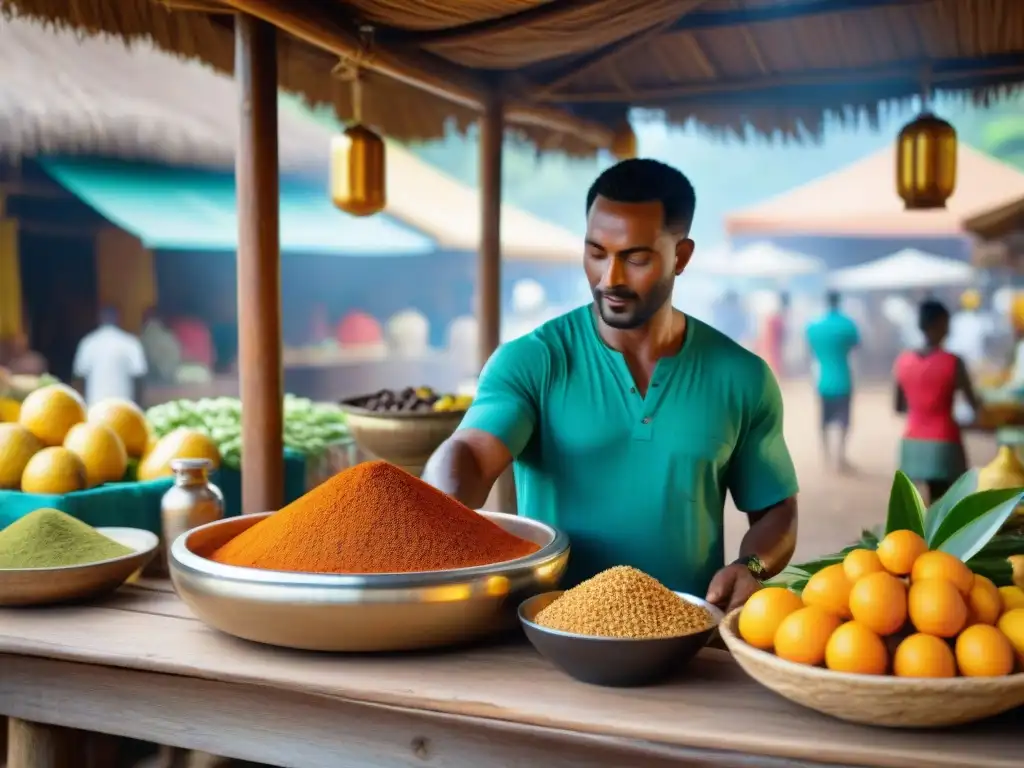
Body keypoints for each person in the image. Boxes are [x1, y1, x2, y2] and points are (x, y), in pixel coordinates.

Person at [423, 159, 799, 612]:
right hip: (553, 630)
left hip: (687, 639)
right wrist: (436, 506)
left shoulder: (741, 376)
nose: (610, 279)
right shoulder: (533, 361)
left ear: (680, 257)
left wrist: (752, 566)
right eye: (596, 252)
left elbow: (776, 509)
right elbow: (472, 452)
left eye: (635, 258)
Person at [894, 300, 979, 504]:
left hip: (912, 445)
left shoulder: (903, 360)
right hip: (944, 444)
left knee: (921, 510)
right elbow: (974, 404)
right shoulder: (953, 362)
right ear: (940, 323)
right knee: (949, 508)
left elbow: (898, 407)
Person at [805, 291, 860, 471]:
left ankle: (826, 457)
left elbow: (809, 348)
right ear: (839, 301)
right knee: (844, 421)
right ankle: (840, 456)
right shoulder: (847, 324)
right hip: (844, 378)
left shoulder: (814, 326)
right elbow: (857, 345)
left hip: (822, 379)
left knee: (823, 421)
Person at [72, 306, 148, 406]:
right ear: (119, 319)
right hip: (123, 408)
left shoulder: (88, 343)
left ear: (99, 319)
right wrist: (139, 407)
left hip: (95, 407)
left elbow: (79, 379)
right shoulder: (130, 342)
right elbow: (139, 378)